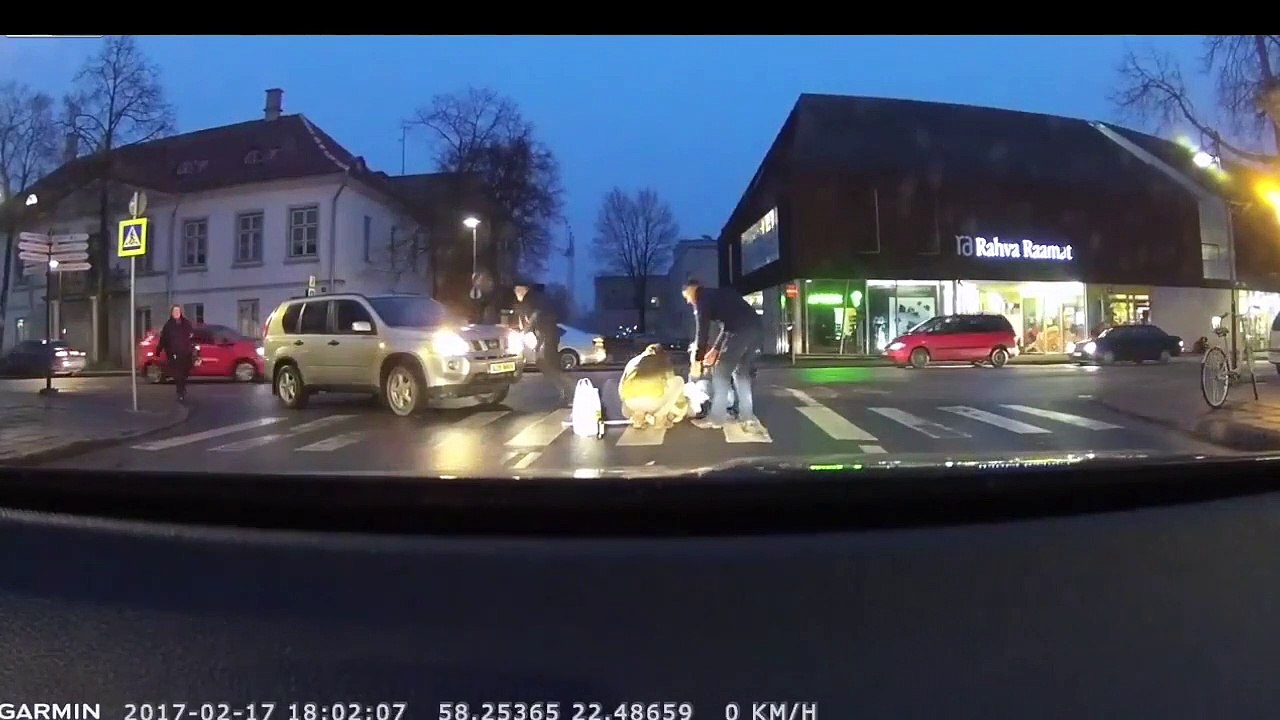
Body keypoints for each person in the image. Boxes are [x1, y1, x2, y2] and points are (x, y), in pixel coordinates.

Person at [681, 278, 764, 432]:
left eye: (686, 296)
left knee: (720, 373)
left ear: (692, 290)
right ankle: (747, 416)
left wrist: (698, 359)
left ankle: (716, 418)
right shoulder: (717, 296)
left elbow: (702, 331)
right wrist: (715, 350)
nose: (688, 301)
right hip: (756, 330)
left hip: (741, 331)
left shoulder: (702, 299)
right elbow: (727, 327)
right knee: (741, 373)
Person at [514, 279, 574, 406]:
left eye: (517, 290)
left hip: (546, 336)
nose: (516, 293)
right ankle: (565, 391)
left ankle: (570, 390)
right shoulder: (531, 300)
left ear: (523, 289)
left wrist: (525, 330)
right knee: (544, 364)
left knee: (547, 364)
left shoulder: (530, 299)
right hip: (545, 336)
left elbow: (534, 316)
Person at [155, 304, 195, 402]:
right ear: (172, 313)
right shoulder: (168, 326)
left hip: (186, 353)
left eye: (178, 311)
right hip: (174, 354)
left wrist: (193, 345)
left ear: (181, 312)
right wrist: (158, 350)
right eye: (174, 311)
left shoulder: (186, 323)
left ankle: (182, 387)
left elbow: (192, 336)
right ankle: (180, 391)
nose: (176, 313)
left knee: (185, 373)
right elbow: (163, 339)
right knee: (178, 374)